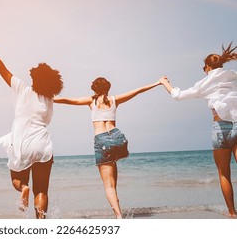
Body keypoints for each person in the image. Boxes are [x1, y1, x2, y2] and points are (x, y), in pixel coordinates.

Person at [0, 38, 63, 219]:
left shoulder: (22, 88)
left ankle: (23, 188)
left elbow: (2, 70)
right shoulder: (49, 100)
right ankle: (41, 224)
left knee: (17, 179)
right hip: (43, 145)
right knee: (41, 190)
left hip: (21, 144)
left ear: (34, 78)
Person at [54, 77, 163, 218]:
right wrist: (157, 82)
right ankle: (117, 212)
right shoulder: (114, 100)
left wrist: (49, 98)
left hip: (103, 142)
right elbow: (137, 91)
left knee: (109, 186)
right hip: (118, 139)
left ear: (94, 89)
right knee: (113, 181)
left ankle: (118, 216)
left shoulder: (91, 101)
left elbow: (69, 100)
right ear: (108, 88)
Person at [160, 43, 237, 218]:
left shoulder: (206, 81)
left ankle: (232, 213)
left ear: (208, 67)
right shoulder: (233, 76)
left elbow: (178, 95)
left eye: (204, 67)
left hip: (221, 127)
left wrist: (165, 83)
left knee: (224, 173)